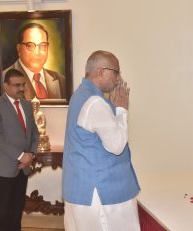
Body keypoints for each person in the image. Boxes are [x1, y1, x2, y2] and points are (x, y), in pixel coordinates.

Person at [62, 50, 141, 231]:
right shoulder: (94, 102)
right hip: (101, 192)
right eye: (116, 71)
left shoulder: (81, 95)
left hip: (84, 188)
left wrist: (113, 107)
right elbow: (116, 145)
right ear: (101, 72)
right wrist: (121, 110)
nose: (119, 77)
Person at [0, 68, 39, 231]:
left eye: (23, 84)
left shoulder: (27, 105)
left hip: (23, 168)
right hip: (3, 168)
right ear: (5, 86)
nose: (21, 88)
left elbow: (34, 132)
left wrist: (31, 154)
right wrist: (21, 155)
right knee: (3, 212)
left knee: (17, 210)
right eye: (17, 85)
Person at [3, 23, 66, 100]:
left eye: (42, 46)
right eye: (30, 46)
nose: (37, 52)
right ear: (19, 49)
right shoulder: (4, 78)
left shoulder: (61, 80)